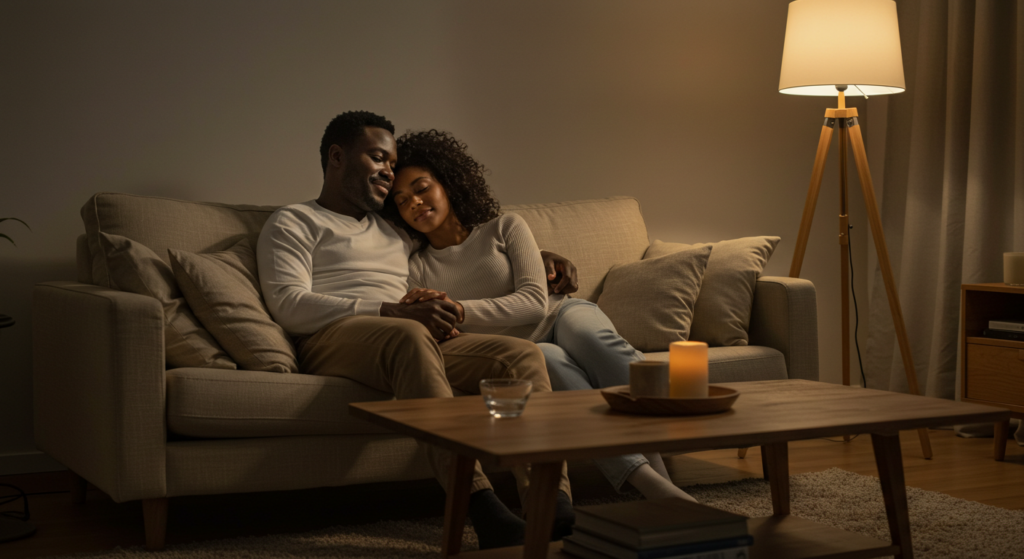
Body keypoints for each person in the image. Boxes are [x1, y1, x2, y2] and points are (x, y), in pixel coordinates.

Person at [256, 112, 577, 549]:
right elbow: (289, 306)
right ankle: (482, 509)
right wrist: (389, 311)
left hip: (410, 336)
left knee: (518, 355)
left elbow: (460, 242)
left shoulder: (395, 230)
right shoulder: (293, 221)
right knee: (408, 336)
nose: (389, 171)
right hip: (334, 337)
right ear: (337, 156)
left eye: (392, 163)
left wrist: (541, 255)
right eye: (377, 158)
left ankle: (548, 497)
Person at [382, 129, 696, 503]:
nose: (414, 203)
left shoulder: (505, 227)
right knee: (557, 371)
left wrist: (460, 311)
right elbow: (443, 330)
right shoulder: (416, 268)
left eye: (421, 188)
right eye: (401, 201)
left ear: (447, 183)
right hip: (521, 347)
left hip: (560, 314)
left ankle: (663, 476)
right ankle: (652, 485)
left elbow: (533, 301)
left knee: (595, 341)